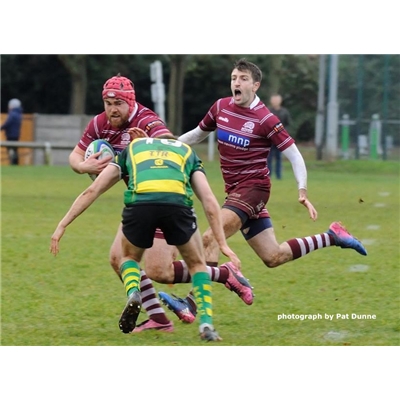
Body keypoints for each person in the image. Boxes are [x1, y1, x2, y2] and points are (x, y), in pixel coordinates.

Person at [158, 58, 367, 323]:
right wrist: (171, 145)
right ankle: (333, 236)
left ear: (255, 86)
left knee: (211, 238)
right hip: (235, 192)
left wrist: (302, 190)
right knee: (273, 256)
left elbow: (294, 156)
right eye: (234, 77)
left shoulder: (266, 119)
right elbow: (198, 134)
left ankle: (191, 304)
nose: (237, 82)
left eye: (243, 79)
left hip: (254, 190)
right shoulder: (221, 107)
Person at [69, 74, 253, 333]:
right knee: (117, 258)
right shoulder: (101, 123)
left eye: (118, 103)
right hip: (139, 202)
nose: (112, 108)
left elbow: (169, 146)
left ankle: (225, 274)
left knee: (160, 271)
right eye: (107, 102)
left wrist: (145, 142)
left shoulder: (147, 120)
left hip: (166, 196)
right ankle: (159, 319)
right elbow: (75, 155)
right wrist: (82, 165)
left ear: (130, 102)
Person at [50, 128, 241, 341]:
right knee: (197, 265)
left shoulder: (133, 148)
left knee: (129, 258)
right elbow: (208, 199)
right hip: (176, 205)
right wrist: (222, 243)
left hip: (141, 204)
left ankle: (133, 291)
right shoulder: (186, 151)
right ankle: (206, 324)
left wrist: (62, 224)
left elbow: (93, 190)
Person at [267, 93, 292, 180]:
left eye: (277, 100)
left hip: (280, 140)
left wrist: (283, 134)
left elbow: (288, 124)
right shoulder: (268, 111)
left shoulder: (284, 112)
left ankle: (278, 176)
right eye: (274, 100)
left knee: (278, 158)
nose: (275, 102)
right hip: (269, 140)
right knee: (268, 158)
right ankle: (268, 175)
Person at [1, 98, 23, 165]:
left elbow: (8, 123)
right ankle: (15, 163)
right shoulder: (19, 113)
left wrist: (1, 128)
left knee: (11, 150)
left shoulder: (12, 113)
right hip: (16, 134)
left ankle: (13, 163)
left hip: (11, 135)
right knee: (14, 150)